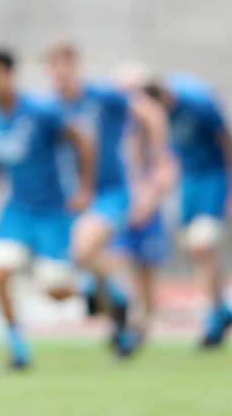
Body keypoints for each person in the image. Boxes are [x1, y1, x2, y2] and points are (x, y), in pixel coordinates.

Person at [0, 49, 94, 368]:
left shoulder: (42, 110)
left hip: (53, 211)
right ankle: (17, 345)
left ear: (9, 75)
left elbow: (83, 138)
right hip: (17, 210)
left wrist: (84, 187)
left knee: (53, 290)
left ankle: (89, 288)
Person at [43, 40, 170, 356]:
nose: (59, 73)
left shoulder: (102, 96)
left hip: (112, 192)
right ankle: (119, 321)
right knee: (70, 274)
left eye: (64, 65)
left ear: (75, 65)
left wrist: (157, 164)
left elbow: (152, 114)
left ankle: (124, 299)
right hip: (75, 197)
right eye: (53, 66)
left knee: (86, 247)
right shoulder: (51, 107)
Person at [143, 71, 232, 348]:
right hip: (189, 180)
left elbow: (225, 139)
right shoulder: (157, 113)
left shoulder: (198, 104)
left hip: (213, 177)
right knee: (192, 247)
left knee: (202, 243)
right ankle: (220, 310)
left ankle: (213, 313)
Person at [111, 63, 177, 338]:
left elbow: (166, 167)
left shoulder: (151, 120)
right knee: (116, 260)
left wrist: (148, 198)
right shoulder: (116, 122)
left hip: (144, 200)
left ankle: (142, 325)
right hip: (121, 199)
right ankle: (123, 318)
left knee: (146, 267)